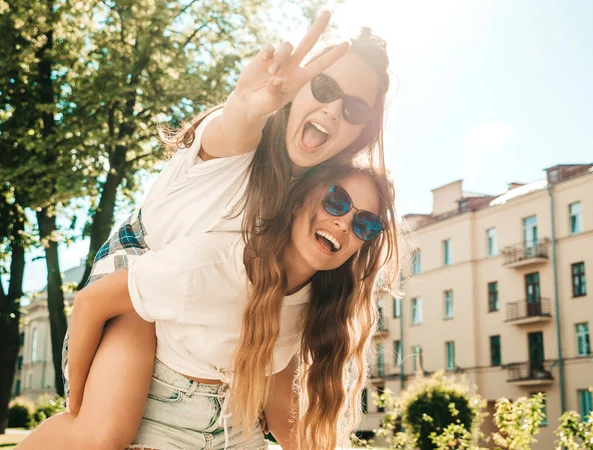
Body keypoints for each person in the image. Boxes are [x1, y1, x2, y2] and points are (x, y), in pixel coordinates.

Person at [20, 10, 393, 449]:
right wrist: (246, 104)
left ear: (359, 132)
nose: (333, 108)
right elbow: (232, 132)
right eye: (325, 88)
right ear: (300, 88)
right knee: (104, 433)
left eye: (353, 108)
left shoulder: (316, 198)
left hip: (197, 299)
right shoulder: (244, 144)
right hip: (137, 266)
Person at [17, 163, 400, 450]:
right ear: (301, 201)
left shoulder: (316, 304)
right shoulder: (214, 264)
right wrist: (80, 406)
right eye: (337, 201)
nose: (344, 223)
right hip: (160, 405)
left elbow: (284, 398)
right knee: (98, 437)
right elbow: (89, 303)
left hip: (236, 425)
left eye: (365, 224)